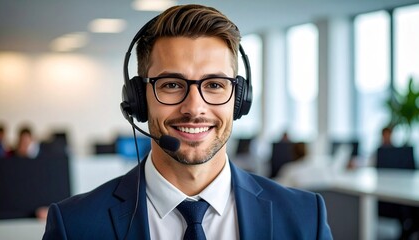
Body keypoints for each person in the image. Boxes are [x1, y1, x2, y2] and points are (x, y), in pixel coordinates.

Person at [43, 4, 332, 239]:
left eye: (215, 85)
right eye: (171, 84)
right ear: (138, 99)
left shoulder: (305, 217)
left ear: (240, 99)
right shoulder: (75, 225)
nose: (194, 107)